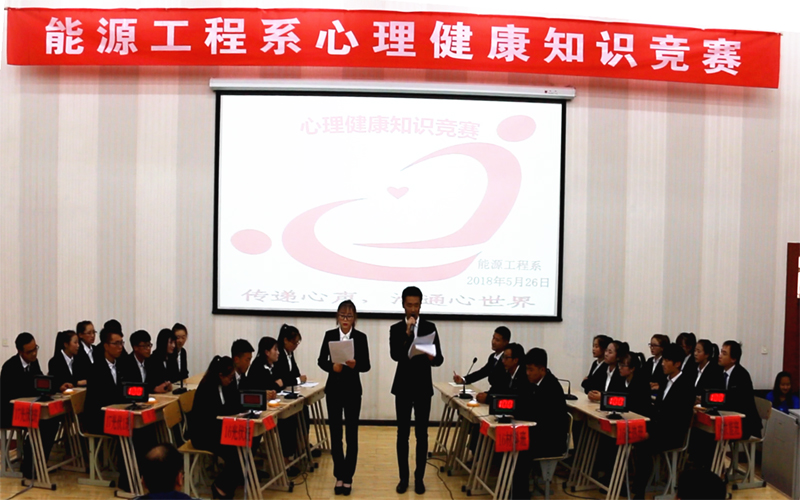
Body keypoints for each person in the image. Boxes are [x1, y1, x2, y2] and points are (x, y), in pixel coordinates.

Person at [390, 286, 444, 495]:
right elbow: (395, 355)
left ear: (421, 305)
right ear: (403, 305)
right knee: (402, 434)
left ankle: (419, 478)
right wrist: (407, 334)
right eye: (409, 305)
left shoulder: (430, 327)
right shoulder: (396, 328)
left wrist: (432, 356)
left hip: (422, 387)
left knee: (422, 434)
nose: (413, 309)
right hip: (403, 386)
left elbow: (439, 359)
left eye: (416, 305)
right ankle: (403, 478)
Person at [317, 300, 371, 496]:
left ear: (354, 318)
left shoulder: (361, 337)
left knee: (351, 435)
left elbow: (366, 365)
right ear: (337, 317)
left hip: (353, 391)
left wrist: (355, 364)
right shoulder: (330, 335)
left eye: (349, 316)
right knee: (335, 434)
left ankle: (348, 476)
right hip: (334, 390)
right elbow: (321, 360)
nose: (345, 319)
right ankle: (338, 475)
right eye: (342, 315)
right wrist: (332, 367)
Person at [632, 344, 696, 499]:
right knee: (634, 437)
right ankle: (635, 485)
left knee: (643, 446)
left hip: (673, 433)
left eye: (667, 360)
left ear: (677, 363)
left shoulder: (686, 385)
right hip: (659, 428)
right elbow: (657, 411)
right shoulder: (665, 381)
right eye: (663, 360)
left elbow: (675, 418)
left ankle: (639, 491)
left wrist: (650, 433)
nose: (663, 363)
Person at [1, 332, 61, 479]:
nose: (34, 353)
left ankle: (40, 462)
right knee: (41, 423)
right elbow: (14, 394)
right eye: (30, 351)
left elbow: (40, 383)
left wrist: (55, 388)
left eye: (35, 349)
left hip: (30, 409)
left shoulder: (34, 363)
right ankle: (30, 467)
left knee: (52, 420)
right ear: (20, 351)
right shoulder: (10, 367)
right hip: (11, 411)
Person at [511, 348, 568, 499]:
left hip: (551, 439)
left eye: (531, 370)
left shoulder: (551, 387)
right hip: (539, 432)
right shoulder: (534, 382)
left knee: (520, 448)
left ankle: (520, 495)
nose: (527, 373)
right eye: (526, 369)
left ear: (542, 370)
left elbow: (538, 417)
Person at [189, 356, 242, 499]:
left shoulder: (226, 385)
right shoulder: (207, 388)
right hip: (203, 434)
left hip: (217, 429)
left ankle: (230, 481)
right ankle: (220, 485)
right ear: (220, 375)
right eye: (230, 377)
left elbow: (233, 403)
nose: (231, 380)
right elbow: (214, 415)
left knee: (243, 444)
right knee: (235, 450)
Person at [718, 340, 762, 439]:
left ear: (733, 359)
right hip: (728, 417)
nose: (720, 356)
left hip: (745, 422)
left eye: (724, 354)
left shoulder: (742, 376)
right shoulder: (720, 372)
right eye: (721, 352)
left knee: (714, 433)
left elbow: (738, 403)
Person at [119, 330, 167, 394]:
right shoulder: (126, 364)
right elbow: (129, 389)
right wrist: (153, 390)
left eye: (149, 345)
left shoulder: (151, 361)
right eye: (145, 346)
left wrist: (165, 386)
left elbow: (156, 381)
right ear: (135, 347)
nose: (148, 349)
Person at [617, 350, 651, 417]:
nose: (619, 368)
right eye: (619, 365)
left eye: (623, 365)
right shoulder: (620, 380)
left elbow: (636, 406)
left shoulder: (641, 384)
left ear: (632, 369)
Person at [275, 324, 307, 391]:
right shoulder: (278, 354)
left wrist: (298, 378)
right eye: (294, 343)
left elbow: (296, 373)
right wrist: (298, 380)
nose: (296, 346)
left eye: (297, 343)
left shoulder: (290, 352)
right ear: (285, 340)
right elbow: (283, 379)